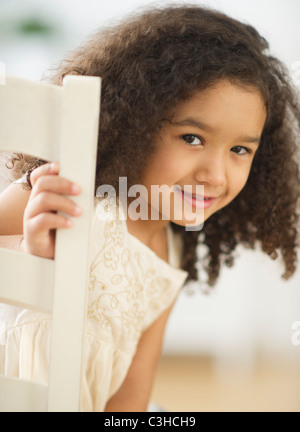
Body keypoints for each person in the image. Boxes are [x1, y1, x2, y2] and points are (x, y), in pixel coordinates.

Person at [0, 5, 299, 412]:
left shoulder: (168, 257)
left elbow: (131, 397)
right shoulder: (69, 195)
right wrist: (26, 253)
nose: (215, 174)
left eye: (240, 149)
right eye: (192, 138)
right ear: (134, 123)